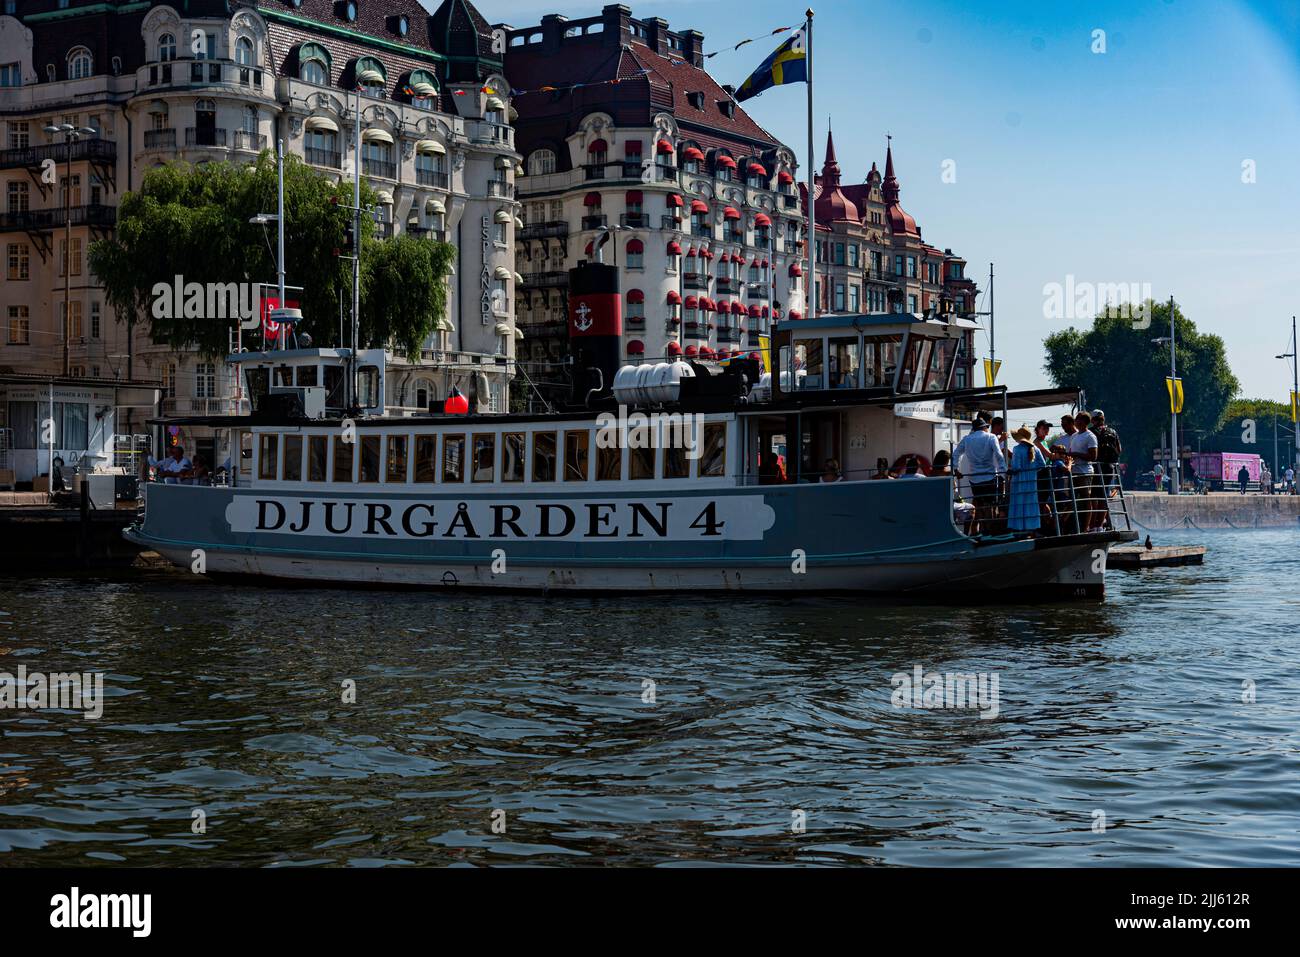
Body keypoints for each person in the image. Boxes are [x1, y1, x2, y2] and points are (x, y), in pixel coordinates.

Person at [953, 418, 1005, 534]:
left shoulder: (967, 439)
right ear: (985, 427)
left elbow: (955, 454)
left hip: (974, 479)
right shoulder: (991, 437)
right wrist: (1003, 471)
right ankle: (989, 532)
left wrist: (956, 469)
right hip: (989, 477)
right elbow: (999, 455)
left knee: (980, 505)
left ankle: (982, 532)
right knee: (991, 505)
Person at [1007, 427, 1047, 534]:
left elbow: (1016, 467)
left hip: (1019, 480)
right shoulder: (1036, 448)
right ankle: (1031, 528)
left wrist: (1009, 471)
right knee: (1031, 503)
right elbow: (1043, 464)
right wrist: (1032, 470)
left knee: (1019, 503)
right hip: (1031, 481)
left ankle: (1019, 528)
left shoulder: (1017, 449)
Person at [1066, 412, 1101, 531]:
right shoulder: (1074, 436)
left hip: (1085, 471)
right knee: (1073, 498)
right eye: (1076, 420)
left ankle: (1086, 527)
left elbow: (1093, 456)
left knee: (1086, 498)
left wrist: (1076, 454)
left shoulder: (1090, 436)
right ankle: (1071, 525)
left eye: (1078, 420)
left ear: (1085, 422)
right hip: (1074, 470)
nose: (1076, 422)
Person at [1090, 410, 1122, 497]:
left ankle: (1095, 511)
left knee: (1093, 495)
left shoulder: (1090, 432)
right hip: (1109, 467)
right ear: (1103, 419)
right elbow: (1119, 449)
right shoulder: (1113, 432)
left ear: (1092, 420)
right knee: (1104, 494)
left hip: (1095, 468)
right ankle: (1105, 510)